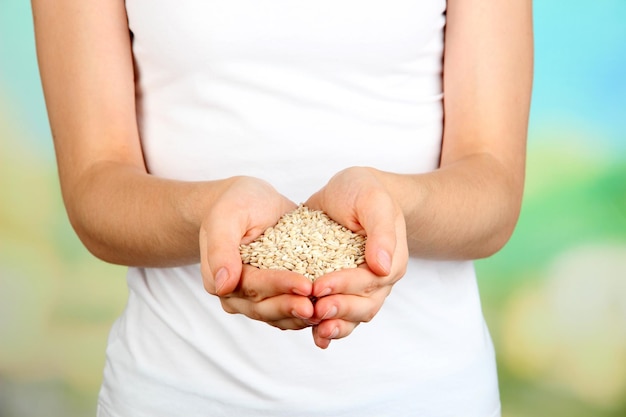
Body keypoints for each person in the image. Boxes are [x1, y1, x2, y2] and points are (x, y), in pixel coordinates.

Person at [32, 0, 533, 416]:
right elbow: (95, 187)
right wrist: (208, 214)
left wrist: (392, 207)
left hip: (428, 395)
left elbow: (492, 188)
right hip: (177, 391)